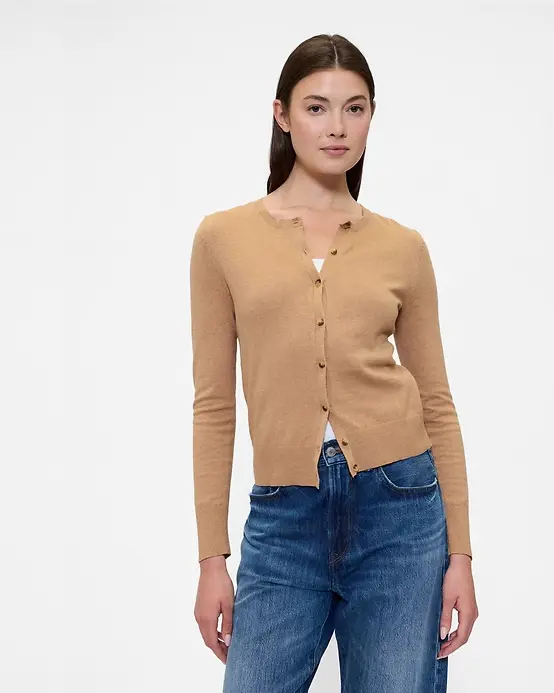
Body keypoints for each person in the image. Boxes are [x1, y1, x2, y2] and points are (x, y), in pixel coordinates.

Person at [189, 33, 478, 693]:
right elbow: (213, 405)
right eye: (316, 108)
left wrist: (459, 553)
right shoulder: (222, 239)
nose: (337, 127)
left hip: (400, 511)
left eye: (355, 108)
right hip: (283, 518)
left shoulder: (402, 247)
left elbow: (436, 402)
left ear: (372, 117)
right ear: (282, 115)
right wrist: (211, 558)